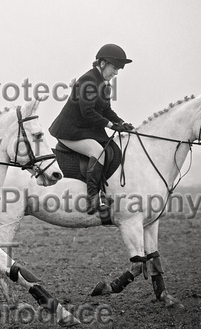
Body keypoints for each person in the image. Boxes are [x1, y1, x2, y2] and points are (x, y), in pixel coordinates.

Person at [49, 43, 134, 214]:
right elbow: (87, 112)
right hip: (69, 132)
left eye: (118, 69)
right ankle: (93, 199)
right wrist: (111, 125)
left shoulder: (104, 84)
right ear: (102, 63)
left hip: (84, 130)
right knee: (99, 152)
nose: (116, 73)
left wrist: (121, 123)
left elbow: (106, 110)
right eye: (115, 68)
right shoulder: (88, 81)